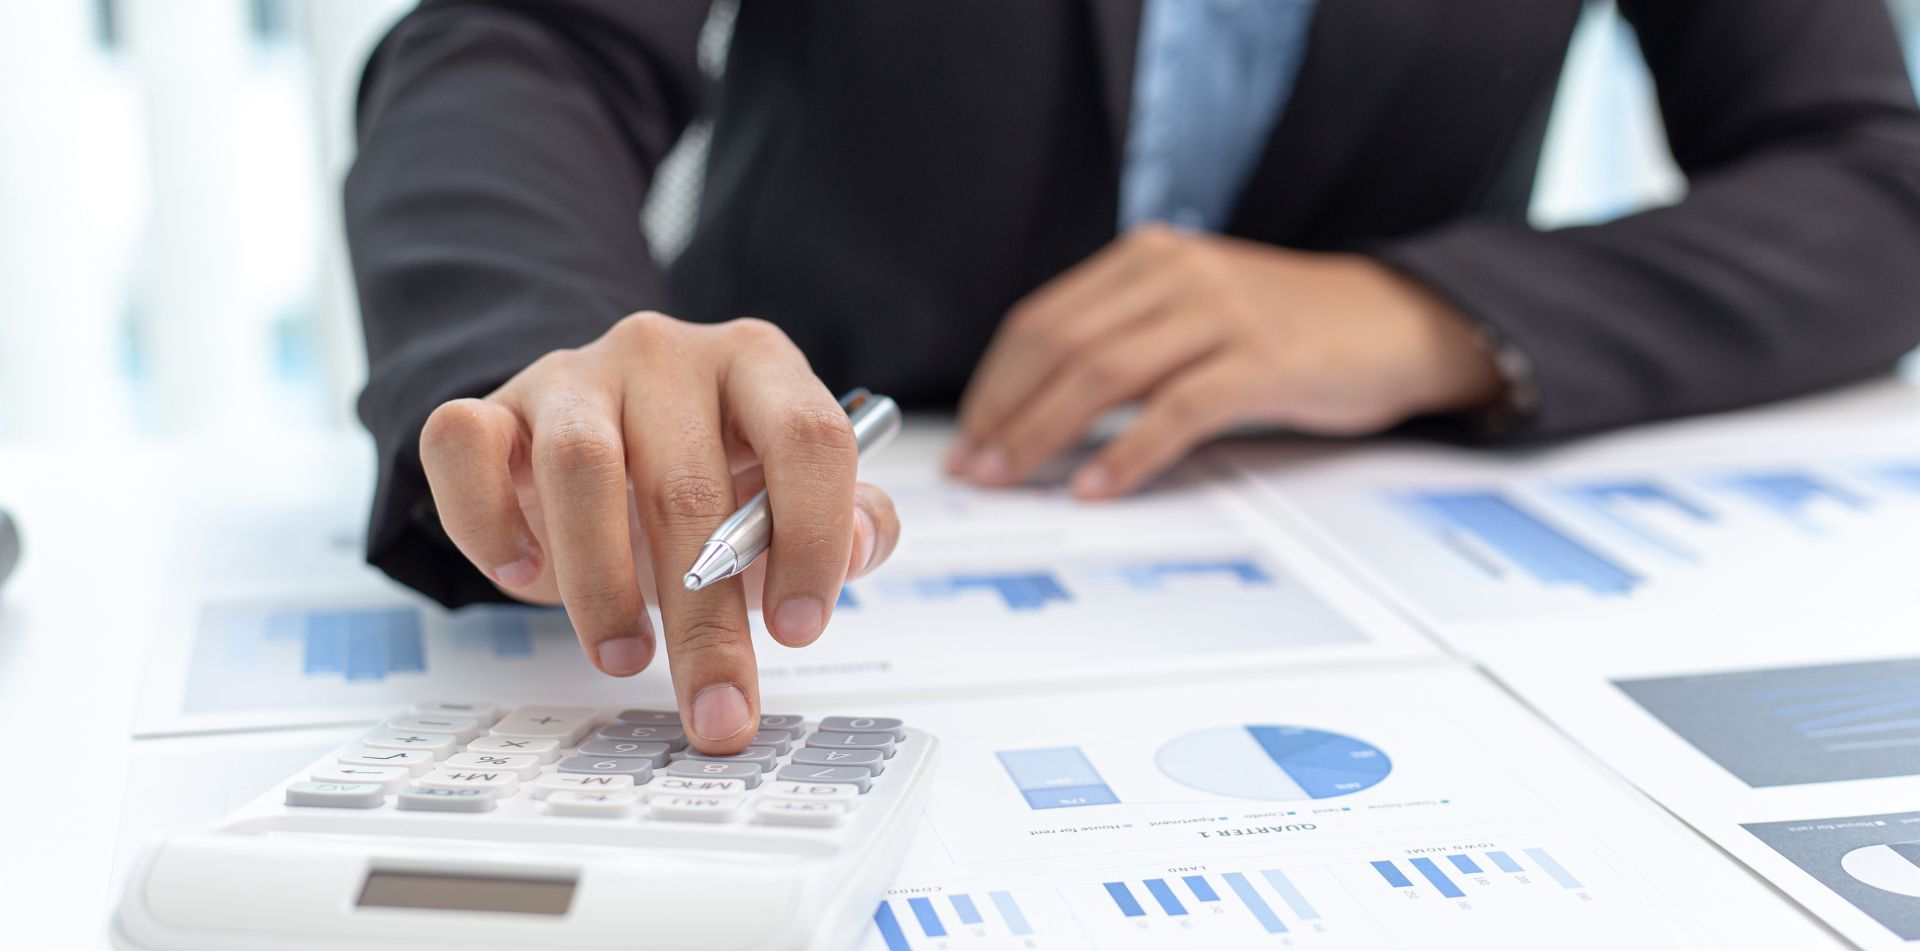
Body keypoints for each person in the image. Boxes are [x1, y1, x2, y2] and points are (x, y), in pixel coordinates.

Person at [346, 1, 1920, 753]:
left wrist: (1424, 312)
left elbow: (1869, 180)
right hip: (804, 456)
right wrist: (543, 374)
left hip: (1362, 562)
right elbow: (522, 44)